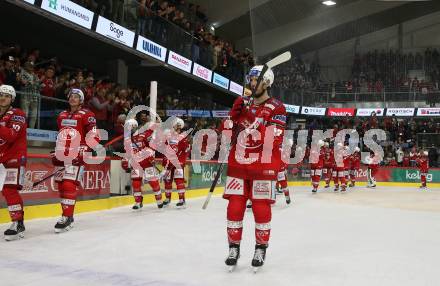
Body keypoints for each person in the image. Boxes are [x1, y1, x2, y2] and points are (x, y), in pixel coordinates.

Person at [223, 65, 286, 271]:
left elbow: (273, 140)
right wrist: (231, 118)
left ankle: (260, 247)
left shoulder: (277, 107)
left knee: (260, 207)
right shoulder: (243, 103)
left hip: (263, 165)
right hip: (239, 163)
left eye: (256, 80)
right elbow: (226, 134)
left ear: (267, 82)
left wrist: (250, 117)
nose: (252, 84)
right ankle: (234, 247)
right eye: (250, 80)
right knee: (235, 206)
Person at [51, 89, 99, 233]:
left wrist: (83, 151)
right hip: (61, 155)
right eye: (71, 96)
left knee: (69, 184)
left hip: (77, 155)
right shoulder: (61, 115)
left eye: (76, 97)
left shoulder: (88, 115)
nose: (73, 98)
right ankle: (69, 216)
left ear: (81, 100)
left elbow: (93, 136)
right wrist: (56, 150)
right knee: (60, 186)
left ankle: (66, 216)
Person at [0, 85, 27, 241]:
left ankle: (17, 222)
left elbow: (11, 135)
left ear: (12, 99)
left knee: (9, 190)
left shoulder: (18, 114)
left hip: (14, 158)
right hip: (1, 159)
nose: (3, 97)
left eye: (6, 95)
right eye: (1, 95)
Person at [121, 117, 163, 210]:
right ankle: (138, 202)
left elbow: (153, 146)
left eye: (128, 127)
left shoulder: (144, 135)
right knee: (136, 183)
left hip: (147, 163)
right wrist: (125, 160)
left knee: (153, 182)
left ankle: (159, 200)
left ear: (134, 127)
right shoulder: (127, 140)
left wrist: (151, 156)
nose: (127, 130)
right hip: (136, 164)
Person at [161, 117, 190, 208]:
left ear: (178, 126)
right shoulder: (168, 136)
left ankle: (182, 199)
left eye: (174, 124)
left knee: (178, 180)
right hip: (169, 162)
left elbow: (186, 151)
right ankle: (167, 198)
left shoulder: (183, 138)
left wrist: (181, 161)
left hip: (178, 164)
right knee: (167, 180)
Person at [276, 138, 292, 204]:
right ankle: (287, 198)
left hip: (276, 170)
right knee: (284, 185)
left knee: (268, 184)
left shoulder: (282, 150)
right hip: (279, 170)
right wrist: (285, 167)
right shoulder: (284, 150)